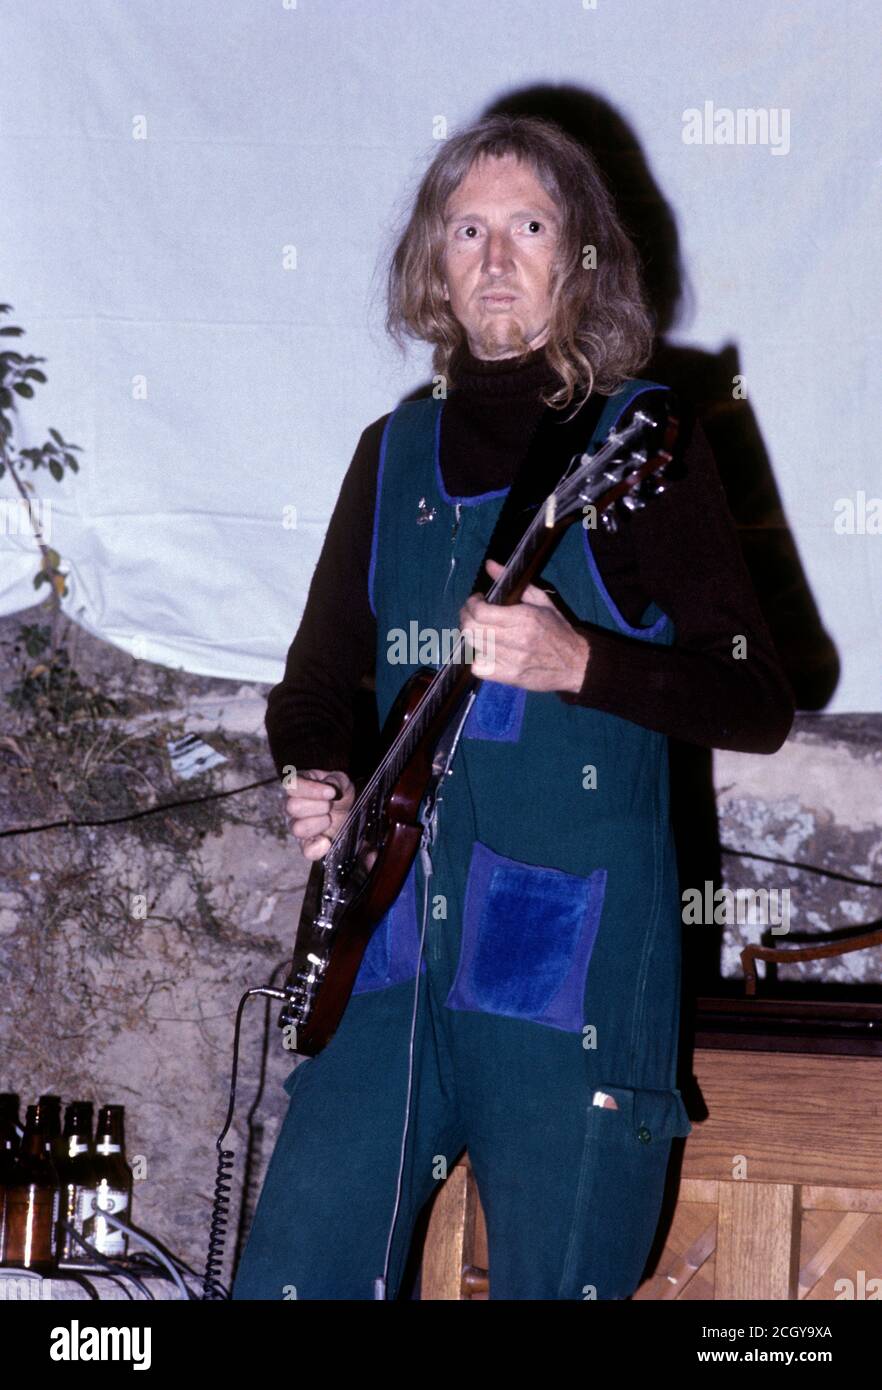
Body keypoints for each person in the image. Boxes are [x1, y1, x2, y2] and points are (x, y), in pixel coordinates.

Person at [231, 114, 794, 1301]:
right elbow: (318, 685)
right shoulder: (390, 453)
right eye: (467, 230)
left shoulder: (645, 443)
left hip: (568, 965)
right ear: (434, 263)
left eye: (527, 227)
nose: (493, 258)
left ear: (581, 255)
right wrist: (320, 773)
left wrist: (581, 661)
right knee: (291, 1271)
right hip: (384, 949)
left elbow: (756, 694)